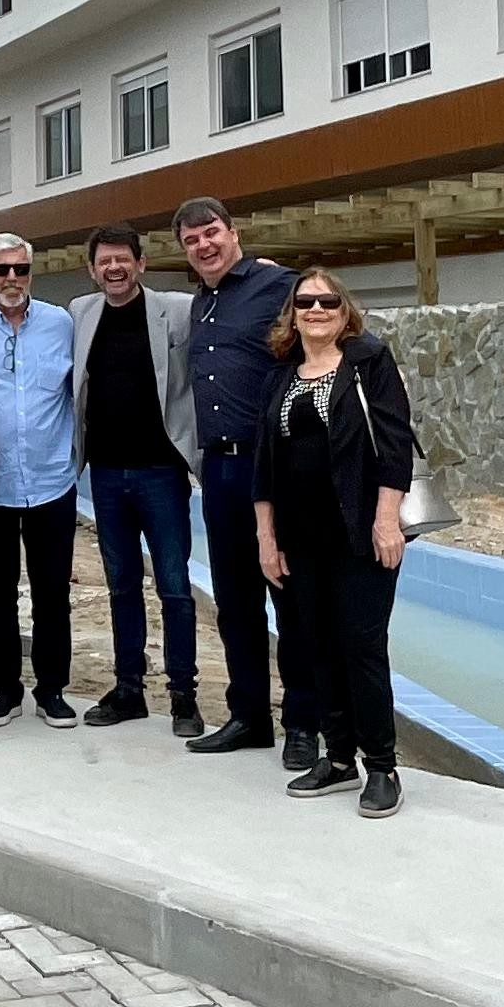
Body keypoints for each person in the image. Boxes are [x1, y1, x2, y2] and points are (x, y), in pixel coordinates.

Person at [254, 269, 422, 819]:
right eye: (306, 301)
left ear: (344, 310)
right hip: (302, 538)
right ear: (292, 312)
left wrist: (386, 521)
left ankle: (382, 766)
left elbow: (395, 447)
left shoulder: (368, 363)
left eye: (328, 301)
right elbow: (265, 465)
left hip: (360, 533)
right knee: (316, 646)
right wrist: (266, 536)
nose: (317, 309)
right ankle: (340, 757)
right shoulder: (282, 374)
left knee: (362, 648)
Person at [176, 196, 315, 767]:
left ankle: (304, 724)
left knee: (291, 598)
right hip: (221, 470)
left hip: (276, 468)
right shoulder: (200, 303)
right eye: (191, 240)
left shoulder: (281, 286)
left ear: (233, 233)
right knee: (235, 603)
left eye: (211, 233)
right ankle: (249, 716)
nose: (204, 245)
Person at [66, 225, 203, 735]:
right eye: (104, 261)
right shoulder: (81, 313)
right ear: (93, 268)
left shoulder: (177, 309)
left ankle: (184, 694)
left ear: (141, 264)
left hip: (160, 473)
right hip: (104, 473)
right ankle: (129, 688)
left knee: (174, 587)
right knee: (122, 586)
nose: (114, 269)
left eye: (123, 259)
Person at [0, 234, 79, 728]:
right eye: (1, 270)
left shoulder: (61, 323)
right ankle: (5, 687)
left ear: (32, 272)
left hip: (53, 479)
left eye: (20, 270)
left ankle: (52, 690)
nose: (11, 279)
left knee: (53, 592)